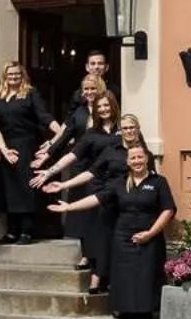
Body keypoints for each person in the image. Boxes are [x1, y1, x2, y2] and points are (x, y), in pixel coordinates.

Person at [49, 120, 174, 319]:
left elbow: (168, 210)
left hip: (150, 238)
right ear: (127, 162)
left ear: (147, 159)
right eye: (133, 158)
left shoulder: (158, 182)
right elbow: (96, 198)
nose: (137, 161)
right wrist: (69, 206)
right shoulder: (119, 184)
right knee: (125, 280)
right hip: (123, 238)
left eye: (140, 157)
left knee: (146, 280)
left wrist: (151, 233)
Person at [37, 90, 125, 295]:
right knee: (99, 234)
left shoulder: (124, 130)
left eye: (107, 105)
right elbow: (72, 156)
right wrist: (50, 172)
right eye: (99, 106)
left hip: (122, 188)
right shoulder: (91, 134)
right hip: (97, 185)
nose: (103, 109)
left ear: (113, 106)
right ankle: (98, 276)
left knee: (118, 235)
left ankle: (113, 278)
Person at [0, 62, 60, 246]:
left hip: (27, 144)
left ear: (23, 75)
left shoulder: (30, 93)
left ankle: (27, 231)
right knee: (8, 189)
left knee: (25, 188)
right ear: (4, 76)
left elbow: (44, 116)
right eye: (10, 74)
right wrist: (3, 150)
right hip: (6, 147)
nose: (13, 77)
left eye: (17, 74)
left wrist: (61, 133)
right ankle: (12, 232)